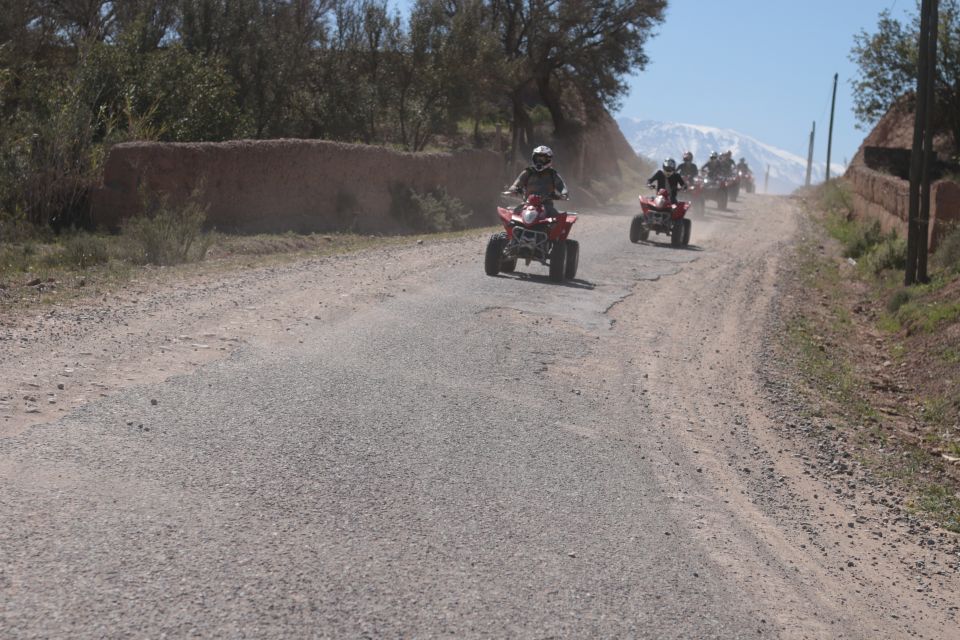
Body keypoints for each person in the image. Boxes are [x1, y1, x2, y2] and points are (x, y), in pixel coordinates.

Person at [507, 145, 568, 217]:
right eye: (537, 159)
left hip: (546, 205)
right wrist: (513, 189)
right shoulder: (528, 172)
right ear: (533, 158)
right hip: (527, 203)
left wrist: (564, 193)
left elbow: (561, 185)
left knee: (556, 217)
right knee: (514, 215)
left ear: (548, 159)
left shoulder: (552, 174)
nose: (539, 161)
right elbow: (517, 182)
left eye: (543, 159)